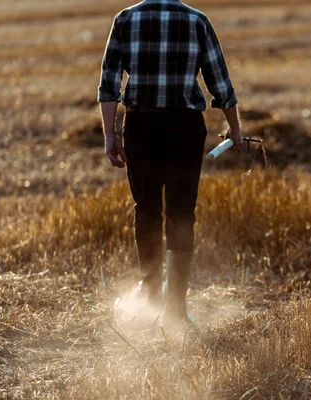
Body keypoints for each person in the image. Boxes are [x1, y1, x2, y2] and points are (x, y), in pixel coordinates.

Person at [97, 0, 242, 325]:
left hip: (142, 126)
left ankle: (150, 297)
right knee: (181, 212)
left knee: (146, 209)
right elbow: (219, 82)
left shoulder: (125, 18)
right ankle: (175, 307)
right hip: (185, 128)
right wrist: (234, 125)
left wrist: (110, 134)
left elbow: (109, 84)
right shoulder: (197, 20)